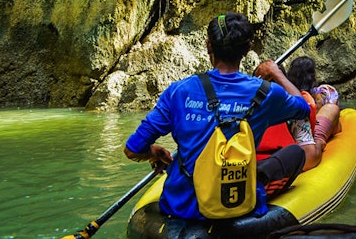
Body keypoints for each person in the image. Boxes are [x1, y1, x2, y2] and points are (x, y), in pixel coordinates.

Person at [124, 13, 311, 220]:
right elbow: (304, 107)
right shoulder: (268, 93)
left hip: (181, 207)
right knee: (295, 153)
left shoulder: (179, 91)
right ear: (248, 49)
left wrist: (152, 152)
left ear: (208, 46)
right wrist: (276, 73)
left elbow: (132, 149)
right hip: (237, 202)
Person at [257, 56, 341, 172]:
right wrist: (318, 143)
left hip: (254, 168)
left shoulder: (239, 106)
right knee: (332, 109)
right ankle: (320, 137)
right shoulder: (297, 106)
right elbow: (310, 158)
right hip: (278, 170)